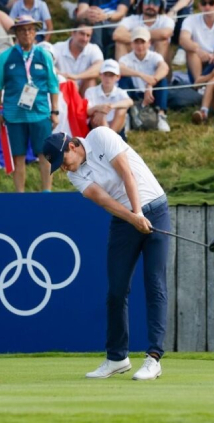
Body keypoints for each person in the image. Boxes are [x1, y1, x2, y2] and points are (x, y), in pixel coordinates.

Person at [42, 127, 170, 381]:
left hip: (155, 210)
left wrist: (139, 213)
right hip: (125, 221)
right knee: (116, 291)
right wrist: (133, 217)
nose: (64, 168)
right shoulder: (75, 175)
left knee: (154, 284)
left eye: (63, 161)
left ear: (72, 146)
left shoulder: (101, 136)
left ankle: (153, 358)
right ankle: (117, 358)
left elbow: (127, 174)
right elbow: (103, 201)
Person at [0, 15, 59, 193]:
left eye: (30, 29)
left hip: (40, 113)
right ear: (16, 33)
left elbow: (53, 84)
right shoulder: (5, 57)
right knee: (18, 156)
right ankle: (19, 194)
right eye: (22, 30)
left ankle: (47, 191)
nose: (27, 33)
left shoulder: (44, 55)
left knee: (45, 154)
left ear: (35, 32)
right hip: (14, 116)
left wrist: (55, 111)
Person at [118, 27, 170, 132]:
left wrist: (150, 83)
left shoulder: (154, 56)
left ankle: (161, 115)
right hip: (134, 94)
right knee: (123, 79)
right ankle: (126, 116)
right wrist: (141, 75)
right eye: (136, 42)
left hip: (151, 93)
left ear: (149, 43)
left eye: (143, 42)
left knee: (162, 80)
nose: (140, 46)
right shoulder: (126, 58)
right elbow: (119, 68)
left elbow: (164, 68)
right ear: (132, 44)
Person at [52, 19, 102, 97]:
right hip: (62, 89)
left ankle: (89, 108)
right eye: (82, 34)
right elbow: (47, 64)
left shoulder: (93, 48)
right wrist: (64, 77)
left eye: (88, 35)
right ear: (73, 33)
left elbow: (99, 68)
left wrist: (76, 77)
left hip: (83, 89)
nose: (85, 39)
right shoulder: (58, 47)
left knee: (90, 80)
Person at [85, 59, 132, 139]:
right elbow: (87, 111)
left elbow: (129, 102)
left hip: (115, 125)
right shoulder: (90, 91)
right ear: (100, 75)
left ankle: (109, 138)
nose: (108, 78)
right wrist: (100, 108)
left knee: (122, 110)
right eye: (105, 74)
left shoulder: (120, 92)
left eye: (111, 75)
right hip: (97, 125)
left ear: (118, 77)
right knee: (98, 113)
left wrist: (110, 106)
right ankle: (110, 139)